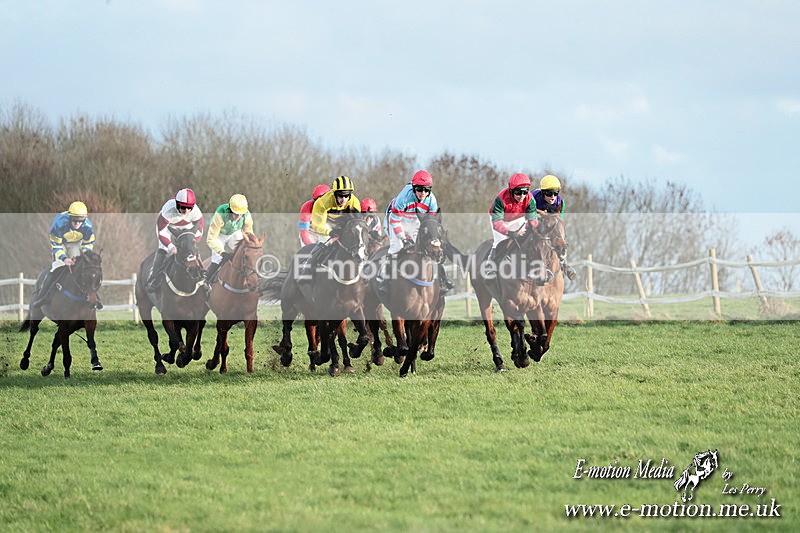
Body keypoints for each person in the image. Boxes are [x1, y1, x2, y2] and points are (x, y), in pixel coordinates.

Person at [377, 170, 454, 296]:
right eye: (419, 189)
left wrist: (435, 239)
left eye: (426, 190)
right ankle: (385, 281)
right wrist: (403, 238)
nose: (422, 193)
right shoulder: (404, 197)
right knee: (397, 247)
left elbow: (432, 222)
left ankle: (442, 279)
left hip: (415, 220)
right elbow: (395, 221)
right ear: (413, 188)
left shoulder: (431, 201)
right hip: (396, 220)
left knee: (432, 247)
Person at [31, 201, 101, 309]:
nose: (77, 223)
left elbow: (88, 244)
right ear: (70, 217)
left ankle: (93, 296)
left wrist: (81, 255)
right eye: (74, 220)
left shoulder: (87, 227)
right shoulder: (59, 224)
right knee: (57, 266)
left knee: (81, 267)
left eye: (80, 220)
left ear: (84, 219)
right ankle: (43, 296)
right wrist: (64, 259)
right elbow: (56, 245)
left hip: (76, 244)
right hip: (61, 243)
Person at [145, 188, 205, 300]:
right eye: (183, 207)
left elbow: (200, 230)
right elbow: (161, 233)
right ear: (177, 204)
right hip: (168, 228)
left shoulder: (196, 211)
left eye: (189, 208)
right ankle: (154, 278)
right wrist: (171, 246)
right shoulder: (168, 210)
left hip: (186, 228)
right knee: (163, 249)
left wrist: (192, 242)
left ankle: (202, 276)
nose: (186, 211)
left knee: (192, 248)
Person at [301, 176, 362, 280]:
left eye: (347, 196)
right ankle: (307, 269)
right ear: (334, 193)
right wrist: (329, 232)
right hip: (323, 223)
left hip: (341, 222)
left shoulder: (354, 202)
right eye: (340, 196)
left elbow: (356, 223)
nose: (344, 199)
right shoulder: (322, 202)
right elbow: (318, 226)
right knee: (325, 242)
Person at [485, 173, 539, 279]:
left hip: (518, 218)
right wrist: (509, 233)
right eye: (518, 192)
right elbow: (497, 223)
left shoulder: (530, 199)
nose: (522, 196)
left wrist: (530, 230)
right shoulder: (501, 199)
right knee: (500, 241)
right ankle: (490, 266)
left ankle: (532, 266)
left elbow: (533, 220)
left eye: (525, 192)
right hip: (500, 220)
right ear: (511, 190)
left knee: (529, 239)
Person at [531, 174, 576, 280]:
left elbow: (560, 220)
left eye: (555, 193)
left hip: (549, 221)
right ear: (542, 193)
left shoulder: (560, 202)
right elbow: (529, 215)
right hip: (532, 219)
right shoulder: (533, 198)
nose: (552, 196)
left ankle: (564, 263)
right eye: (549, 193)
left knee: (559, 236)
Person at [204, 193, 255, 284]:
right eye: (235, 213)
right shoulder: (220, 213)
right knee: (217, 259)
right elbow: (211, 239)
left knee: (244, 252)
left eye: (240, 214)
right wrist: (222, 253)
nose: (238, 217)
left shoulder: (247, 215)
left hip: (234, 233)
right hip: (219, 234)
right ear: (230, 209)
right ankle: (205, 282)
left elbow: (249, 234)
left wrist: (252, 247)